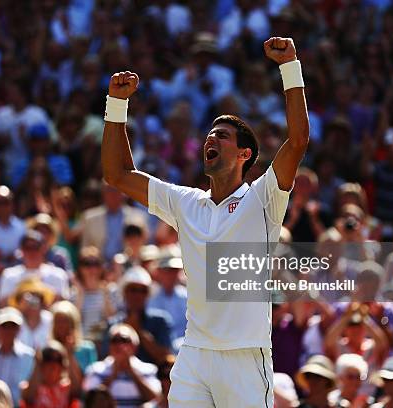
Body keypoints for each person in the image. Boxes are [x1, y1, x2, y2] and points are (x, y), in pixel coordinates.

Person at [101, 36, 308, 406]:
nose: (211, 138)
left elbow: (297, 140)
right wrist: (116, 105)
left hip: (245, 357)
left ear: (245, 154)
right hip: (194, 354)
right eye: (210, 134)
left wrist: (289, 66)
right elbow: (117, 174)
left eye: (223, 136)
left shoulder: (264, 197)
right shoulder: (185, 202)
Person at [104, 266, 172, 365]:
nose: (138, 295)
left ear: (148, 294)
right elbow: (106, 359)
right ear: (124, 292)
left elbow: (165, 358)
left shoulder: (160, 321)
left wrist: (138, 331)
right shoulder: (113, 324)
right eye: (133, 290)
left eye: (142, 291)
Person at [83, 324, 161, 407]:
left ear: (135, 345)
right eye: (114, 340)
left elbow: (156, 398)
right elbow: (91, 401)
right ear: (109, 345)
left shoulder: (149, 369)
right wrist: (113, 374)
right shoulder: (95, 370)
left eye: (124, 340)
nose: (119, 345)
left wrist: (131, 371)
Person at [0, 229, 70, 305]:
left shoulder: (58, 274)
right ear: (21, 250)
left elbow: (63, 304)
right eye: (27, 247)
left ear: (44, 249)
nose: (32, 252)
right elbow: (3, 305)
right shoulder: (9, 274)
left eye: (36, 247)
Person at [0, 307, 35, 407]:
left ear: (19, 330)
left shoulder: (29, 356)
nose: (8, 331)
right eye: (5, 326)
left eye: (13, 327)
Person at [20, 340, 81, 408]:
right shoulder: (32, 387)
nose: (53, 364)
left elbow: (77, 391)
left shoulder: (67, 387)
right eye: (48, 359)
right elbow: (28, 397)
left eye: (58, 360)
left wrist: (69, 355)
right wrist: (37, 364)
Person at [148, 254, 187, 345]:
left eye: (174, 271)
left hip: (187, 346)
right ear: (159, 272)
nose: (170, 275)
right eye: (166, 271)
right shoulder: (152, 298)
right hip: (161, 347)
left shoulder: (186, 296)